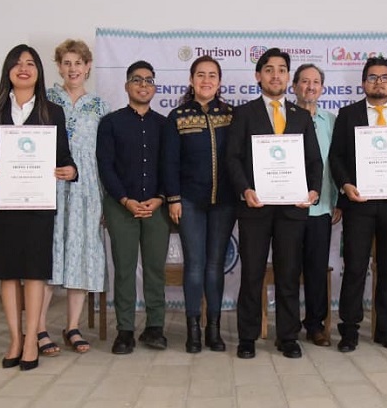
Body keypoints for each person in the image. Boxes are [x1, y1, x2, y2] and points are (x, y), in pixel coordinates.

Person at [0, 44, 78, 371]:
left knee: (34, 271)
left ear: (39, 71)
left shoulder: (52, 110)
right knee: (8, 271)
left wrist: (70, 171)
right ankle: (15, 339)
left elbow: (64, 157)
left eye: (30, 63)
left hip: (37, 201)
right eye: (17, 63)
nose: (23, 68)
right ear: (8, 70)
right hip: (1, 199)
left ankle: (31, 342)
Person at [225, 48, 322, 359]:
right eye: (269, 69)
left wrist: (314, 191)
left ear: (288, 77)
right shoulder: (243, 113)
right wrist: (244, 189)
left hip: (292, 209)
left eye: (281, 70)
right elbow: (233, 158)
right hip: (255, 207)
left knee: (289, 274)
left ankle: (288, 336)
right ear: (258, 76)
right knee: (252, 274)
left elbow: (314, 161)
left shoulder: (301, 116)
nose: (275, 75)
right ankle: (247, 337)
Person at [330, 56, 387, 352]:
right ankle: (349, 330)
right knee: (355, 267)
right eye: (372, 77)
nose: (378, 82)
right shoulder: (348, 114)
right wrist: (345, 185)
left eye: (384, 77)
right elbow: (336, 157)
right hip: (359, 203)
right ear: (363, 82)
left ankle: (385, 330)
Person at [35, 39, 109, 356]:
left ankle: (72, 327)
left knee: (81, 254)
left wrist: (105, 197)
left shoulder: (99, 106)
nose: (73, 68)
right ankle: (38, 328)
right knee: (48, 256)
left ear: (88, 66)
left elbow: (104, 155)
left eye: (78, 63)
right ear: (59, 67)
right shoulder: (45, 100)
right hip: (51, 186)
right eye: (67, 63)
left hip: (87, 190)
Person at [162, 56, 236, 353]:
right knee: (194, 265)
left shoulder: (231, 115)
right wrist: (173, 198)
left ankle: (213, 329)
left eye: (212, 75)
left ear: (220, 81)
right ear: (191, 80)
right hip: (189, 202)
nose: (207, 80)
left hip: (225, 202)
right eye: (201, 75)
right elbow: (169, 162)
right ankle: (193, 330)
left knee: (215, 265)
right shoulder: (177, 116)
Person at [96, 60, 170, 354]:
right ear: (127, 86)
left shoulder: (164, 124)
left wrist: (160, 197)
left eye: (149, 80)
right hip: (120, 206)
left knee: (155, 269)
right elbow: (106, 166)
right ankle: (125, 330)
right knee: (124, 269)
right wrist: (125, 200)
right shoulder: (111, 123)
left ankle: (155, 328)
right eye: (137, 80)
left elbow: (170, 165)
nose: (143, 85)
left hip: (156, 207)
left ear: (154, 87)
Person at [291, 63, 339, 347]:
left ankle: (315, 325)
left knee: (317, 269)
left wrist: (337, 201)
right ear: (294, 86)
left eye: (316, 82)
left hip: (320, 208)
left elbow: (337, 164)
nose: (310, 87)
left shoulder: (331, 121)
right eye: (304, 81)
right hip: (287, 208)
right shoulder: (283, 117)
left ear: (322, 88)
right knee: (288, 269)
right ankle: (288, 324)